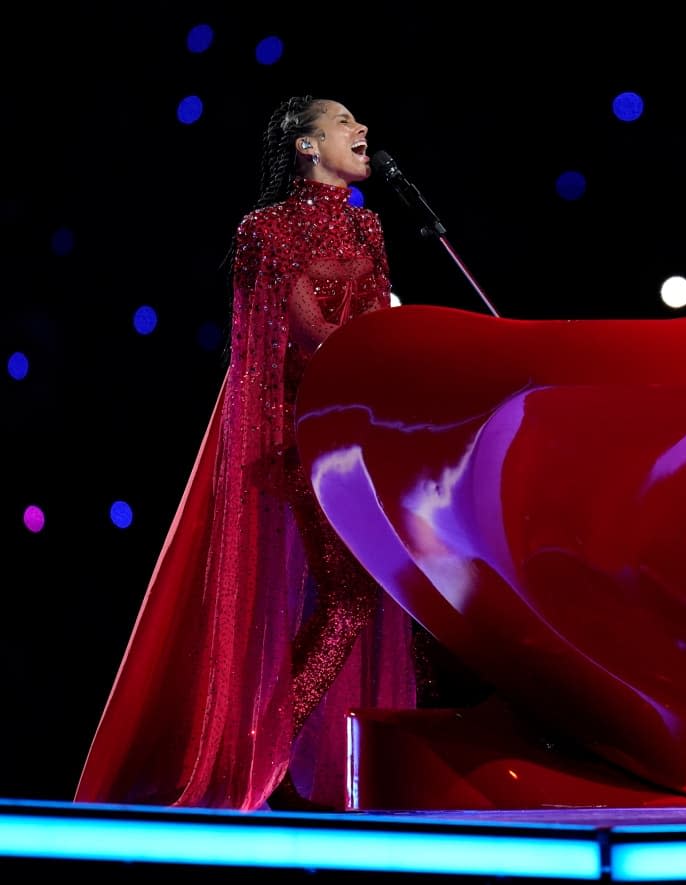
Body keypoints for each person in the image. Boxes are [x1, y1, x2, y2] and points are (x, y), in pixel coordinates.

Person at [74, 95, 416, 811]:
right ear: (305, 145)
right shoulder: (267, 229)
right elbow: (309, 328)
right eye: (343, 122)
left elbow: (378, 325)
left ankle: (279, 751)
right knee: (338, 599)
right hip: (294, 433)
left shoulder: (369, 224)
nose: (362, 131)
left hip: (354, 437)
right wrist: (377, 331)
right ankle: (258, 751)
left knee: (359, 599)